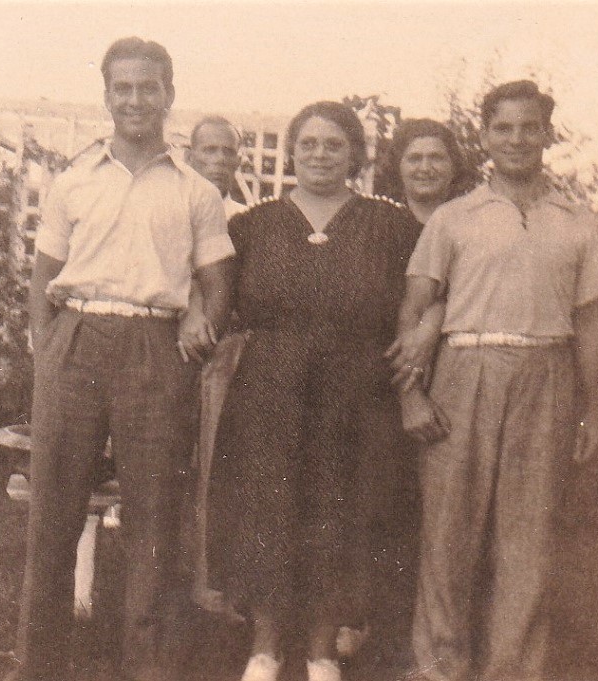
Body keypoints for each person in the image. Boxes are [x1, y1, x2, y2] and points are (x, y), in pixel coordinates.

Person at [9, 37, 234, 681]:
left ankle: (149, 667)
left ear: (169, 95)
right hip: (78, 341)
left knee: (155, 517)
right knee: (54, 511)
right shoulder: (74, 181)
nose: (135, 100)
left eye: (148, 87)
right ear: (107, 95)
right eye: (123, 88)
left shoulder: (196, 191)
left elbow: (218, 279)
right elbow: (44, 275)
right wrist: (47, 349)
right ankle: (36, 664)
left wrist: (200, 317)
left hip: (156, 348)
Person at [394, 80, 598, 681]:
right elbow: (414, 314)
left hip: (547, 372)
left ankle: (514, 670)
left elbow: (590, 322)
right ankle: (440, 667)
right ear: (484, 137)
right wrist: (411, 394)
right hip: (465, 370)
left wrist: (597, 411)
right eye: (503, 129)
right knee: (448, 535)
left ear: (547, 134)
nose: (517, 139)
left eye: (529, 128)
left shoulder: (579, 222)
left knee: (529, 542)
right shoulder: (455, 218)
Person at [206, 101, 421, 681]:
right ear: (292, 151)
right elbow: (212, 295)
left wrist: (416, 339)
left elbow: (430, 295)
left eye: (333, 144)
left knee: (340, 512)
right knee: (267, 511)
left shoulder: (393, 226)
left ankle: (323, 651)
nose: (320, 155)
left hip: (357, 392)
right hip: (271, 386)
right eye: (309, 144)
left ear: (355, 153)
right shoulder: (252, 225)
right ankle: (266, 648)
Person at [371, 118, 471, 668]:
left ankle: (436, 648)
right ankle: (384, 644)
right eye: (414, 158)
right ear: (397, 166)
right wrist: (408, 387)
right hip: (386, 381)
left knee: (446, 522)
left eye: (437, 157)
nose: (426, 167)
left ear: (455, 166)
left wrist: (436, 319)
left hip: (455, 382)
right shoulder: (381, 226)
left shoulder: (472, 222)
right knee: (390, 515)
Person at [185, 115, 250, 617]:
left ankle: (209, 591)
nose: (219, 162)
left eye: (227, 153)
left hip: (219, 354)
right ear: (189, 157)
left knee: (211, 466)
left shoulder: (242, 219)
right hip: (163, 348)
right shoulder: (174, 206)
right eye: (208, 151)